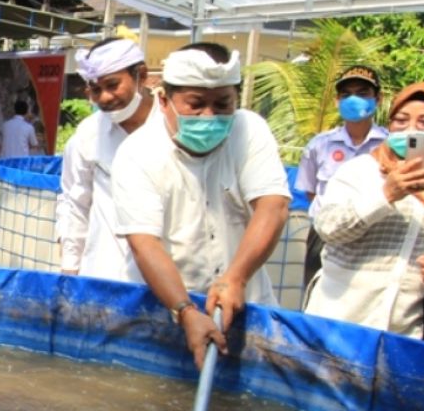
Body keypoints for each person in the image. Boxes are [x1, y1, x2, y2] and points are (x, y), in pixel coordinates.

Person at [112, 42, 291, 369]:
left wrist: (235, 278)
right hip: (166, 308)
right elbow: (144, 243)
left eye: (222, 104)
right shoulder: (137, 154)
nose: (209, 116)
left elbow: (273, 206)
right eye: (195, 105)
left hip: (244, 303)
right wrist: (185, 310)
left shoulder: (249, 130)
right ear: (164, 100)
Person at [305, 82, 424, 338]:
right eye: (401, 120)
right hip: (336, 323)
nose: (411, 129)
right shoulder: (359, 171)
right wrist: (386, 195)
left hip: (407, 333)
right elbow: (328, 228)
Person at [56, 37, 154, 278]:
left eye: (113, 85)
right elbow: (74, 202)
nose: (105, 98)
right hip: (103, 273)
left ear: (141, 75)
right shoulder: (89, 134)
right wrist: (70, 267)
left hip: (168, 281)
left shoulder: (171, 128)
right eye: (96, 90)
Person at [295, 65, 388, 294]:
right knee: (318, 294)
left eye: (363, 93)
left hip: (373, 233)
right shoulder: (319, 145)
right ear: (337, 101)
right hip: (324, 234)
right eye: (346, 95)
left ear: (378, 99)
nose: (354, 99)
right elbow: (310, 191)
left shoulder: (390, 145)